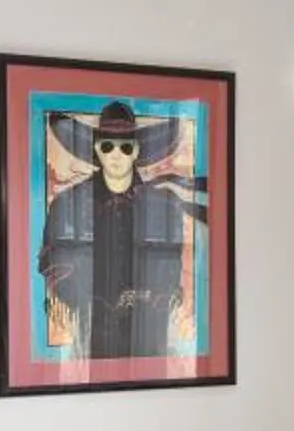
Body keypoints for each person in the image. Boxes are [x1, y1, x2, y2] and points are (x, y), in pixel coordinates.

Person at [37, 100, 204, 360]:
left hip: (150, 336)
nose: (116, 155)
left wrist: (150, 299)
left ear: (137, 151)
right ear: (97, 150)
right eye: (107, 146)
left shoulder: (165, 206)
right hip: (90, 336)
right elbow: (51, 263)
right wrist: (89, 302)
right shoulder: (66, 204)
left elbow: (174, 268)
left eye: (126, 147)